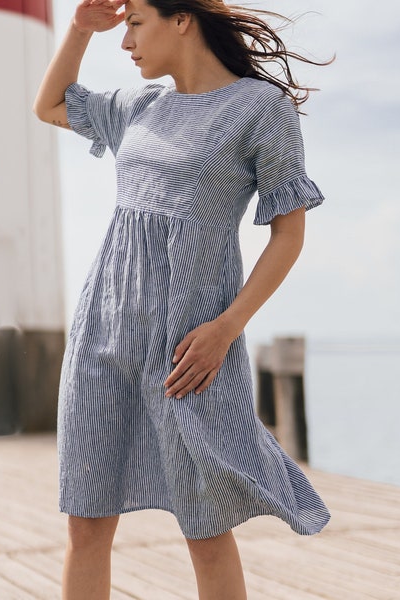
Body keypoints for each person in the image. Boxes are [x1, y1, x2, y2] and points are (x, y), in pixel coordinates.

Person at [34, 0, 331, 598]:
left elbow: (289, 234)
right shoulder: (140, 106)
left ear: (182, 19)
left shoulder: (259, 108)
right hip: (102, 333)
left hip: (188, 348)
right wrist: (78, 30)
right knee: (86, 523)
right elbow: (51, 104)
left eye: (135, 25)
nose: (127, 44)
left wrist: (227, 328)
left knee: (206, 526)